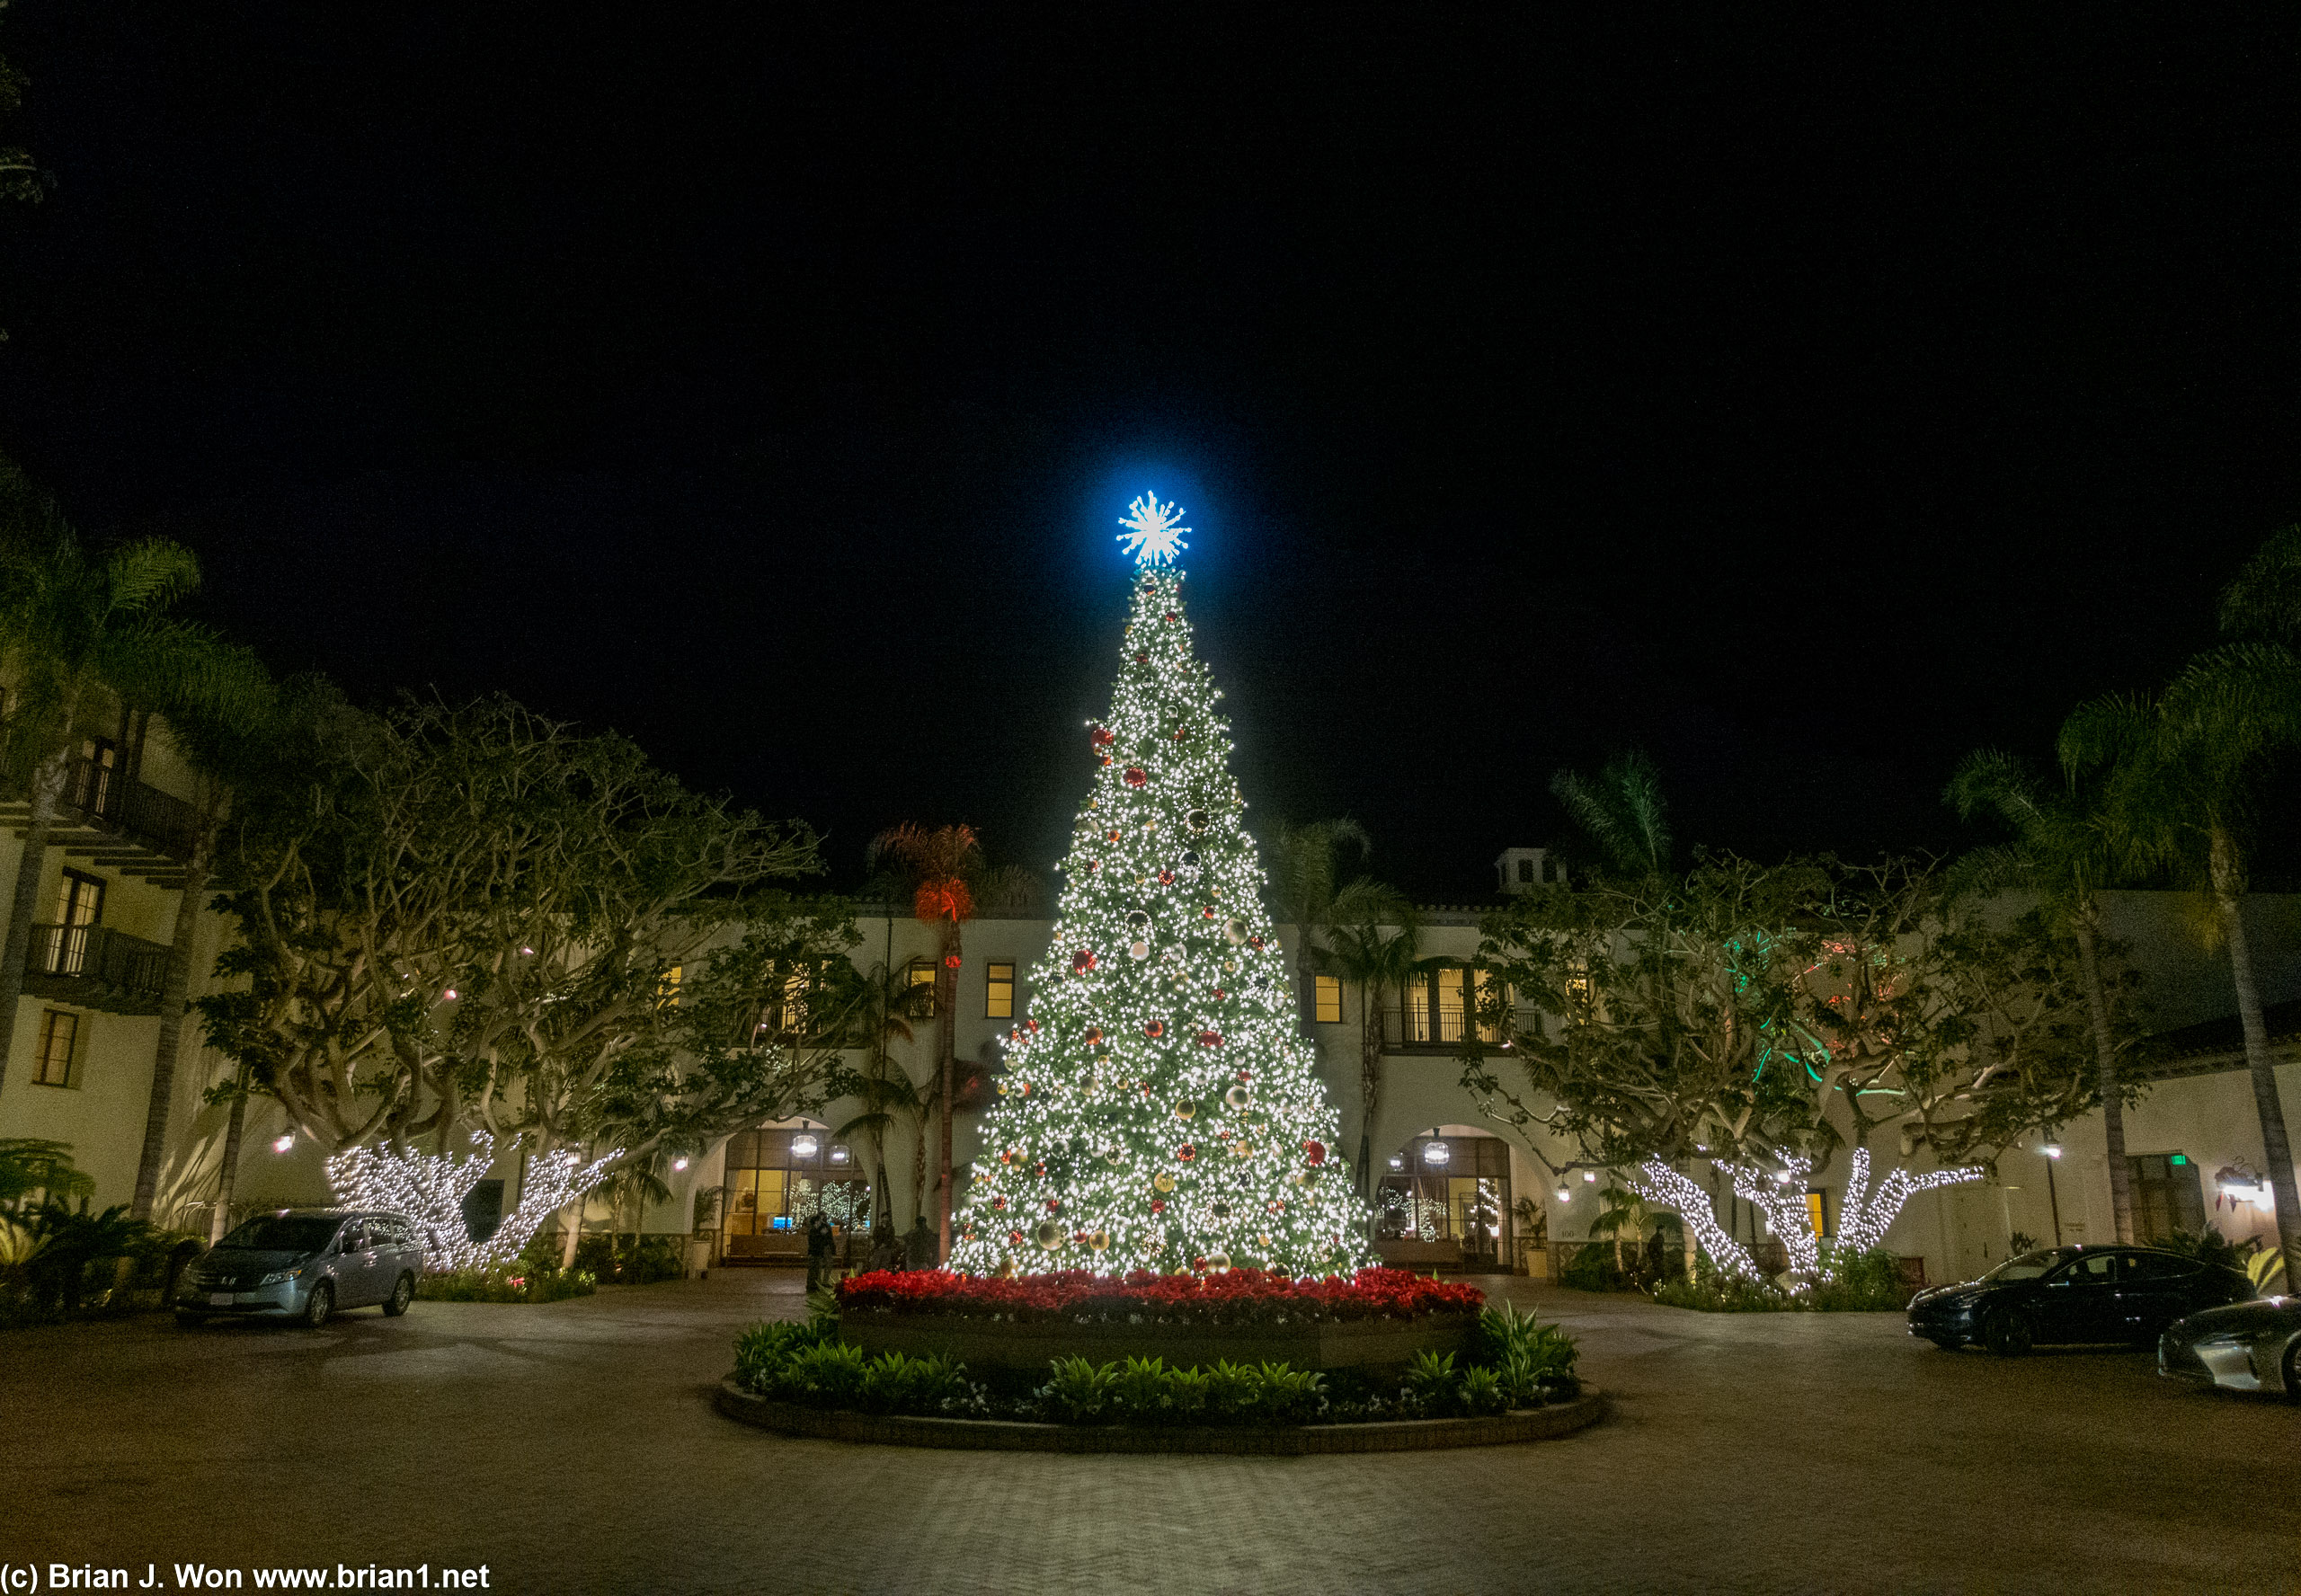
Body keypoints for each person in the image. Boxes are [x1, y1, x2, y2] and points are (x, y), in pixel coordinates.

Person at [804, 1210, 836, 1290]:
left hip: (817, 1251)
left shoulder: (815, 1229)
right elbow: (819, 1240)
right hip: (818, 1251)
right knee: (816, 1267)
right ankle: (816, 1284)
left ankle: (816, 1283)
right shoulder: (818, 1229)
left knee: (816, 1267)